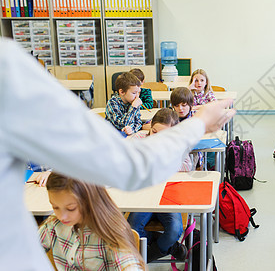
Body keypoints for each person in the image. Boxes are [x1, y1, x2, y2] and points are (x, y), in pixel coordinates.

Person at [0, 38, 234, 270]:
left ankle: (157, 247)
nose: (63, 214)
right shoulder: (9, 69)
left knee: (167, 227)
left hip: (162, 193)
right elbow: (128, 163)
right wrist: (199, 124)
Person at [128, 108, 196, 262]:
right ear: (150, 126)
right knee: (132, 229)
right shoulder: (139, 138)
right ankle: (173, 248)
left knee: (174, 230)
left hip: (168, 195)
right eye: (154, 132)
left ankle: (147, 257)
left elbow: (187, 167)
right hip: (143, 195)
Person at [38, 172, 146, 270]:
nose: (62, 217)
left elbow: (128, 265)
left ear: (89, 201)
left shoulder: (111, 232)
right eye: (55, 207)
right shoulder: (53, 224)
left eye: (71, 209)